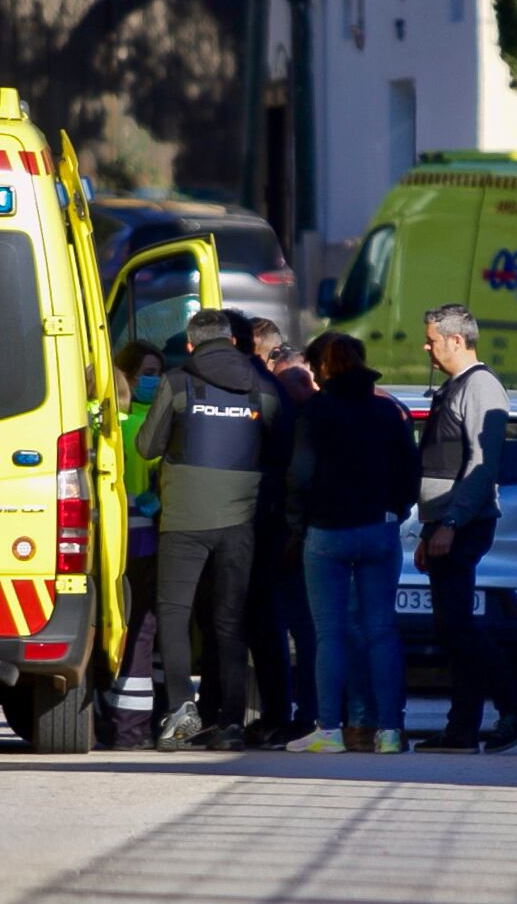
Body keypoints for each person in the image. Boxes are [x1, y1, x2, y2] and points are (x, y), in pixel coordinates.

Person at [137, 309, 288, 752]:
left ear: (190, 345)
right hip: (241, 519)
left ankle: (182, 711)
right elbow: (282, 452)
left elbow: (147, 446)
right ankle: (231, 723)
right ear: (233, 341)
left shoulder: (178, 381)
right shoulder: (263, 386)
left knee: (174, 613)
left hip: (183, 519)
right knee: (231, 620)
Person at [284, 335, 420, 754]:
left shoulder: (317, 412)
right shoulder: (386, 411)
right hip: (379, 530)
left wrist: (297, 523)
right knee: (381, 631)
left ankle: (329, 729)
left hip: (327, 532)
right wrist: (392, 511)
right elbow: (410, 474)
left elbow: (300, 475)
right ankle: (391, 731)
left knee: (330, 633)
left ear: (322, 369)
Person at [413, 304, 517, 754]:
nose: (426, 347)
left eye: (432, 340)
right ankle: (460, 729)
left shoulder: (482, 387)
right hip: (445, 523)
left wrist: (449, 522)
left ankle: (514, 706)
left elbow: (482, 467)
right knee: (452, 627)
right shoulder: (454, 387)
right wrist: (432, 529)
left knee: (458, 626)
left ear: (457, 340)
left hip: (463, 523)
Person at [224, 312, 315, 749]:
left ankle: (275, 713)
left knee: (265, 621)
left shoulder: (259, 389)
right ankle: (277, 712)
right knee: (267, 622)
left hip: (263, 519)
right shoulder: (270, 388)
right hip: (270, 517)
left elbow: (285, 465)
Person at [101, 342, 167, 749]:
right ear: (126, 374)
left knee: (145, 634)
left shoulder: (139, 421)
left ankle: (132, 723)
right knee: (142, 632)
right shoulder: (131, 425)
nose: (154, 380)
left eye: (158, 372)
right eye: (146, 371)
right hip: (135, 540)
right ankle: (136, 726)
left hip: (144, 539)